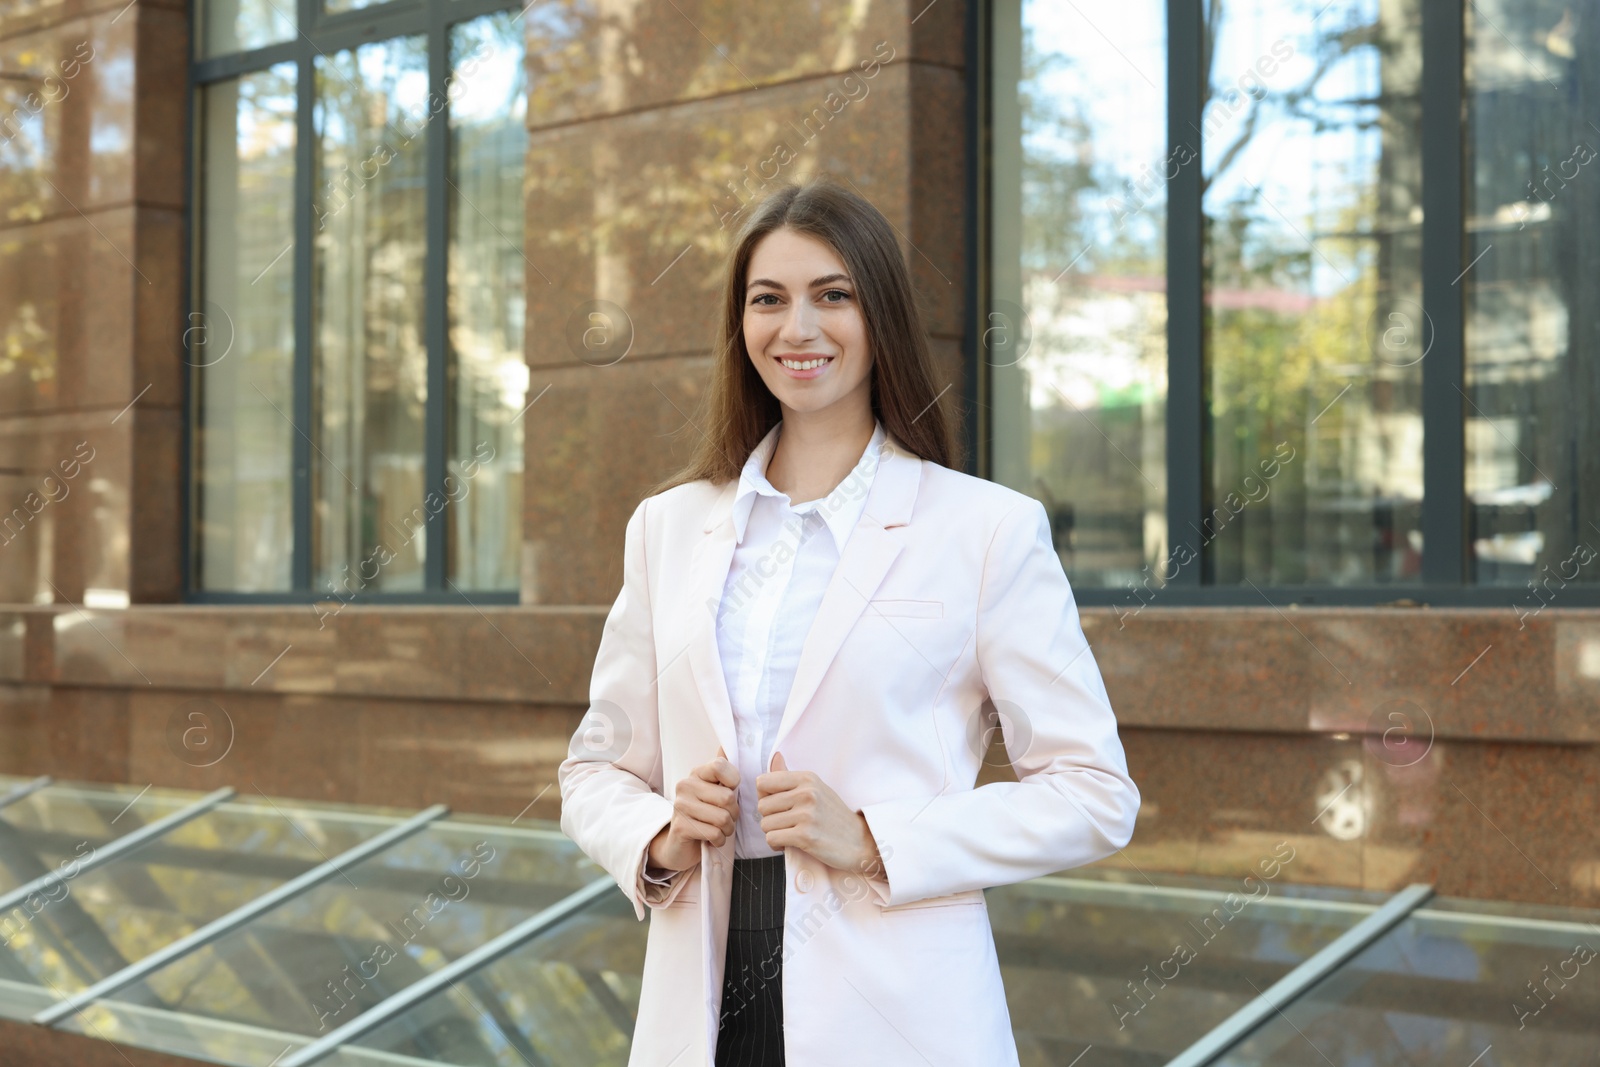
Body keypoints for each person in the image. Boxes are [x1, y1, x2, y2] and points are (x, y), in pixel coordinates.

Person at [557, 176, 1140, 1067]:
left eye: (833, 295)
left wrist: (876, 838)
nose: (799, 328)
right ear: (739, 326)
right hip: (700, 993)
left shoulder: (984, 529)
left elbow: (1094, 793)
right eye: (768, 300)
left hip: (899, 1005)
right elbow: (595, 766)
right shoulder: (667, 527)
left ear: (881, 318)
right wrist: (659, 836)